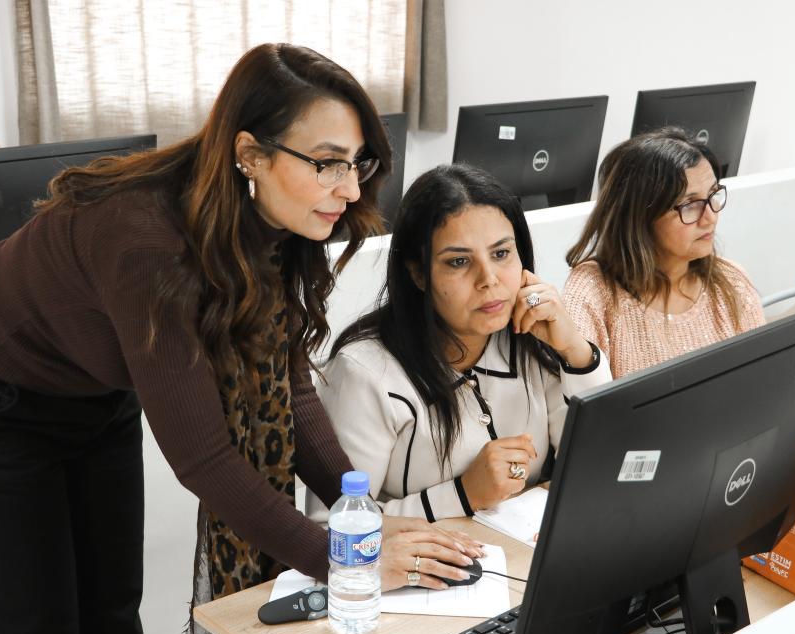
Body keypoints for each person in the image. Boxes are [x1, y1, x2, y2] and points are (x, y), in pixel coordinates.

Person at [0, 44, 478, 634]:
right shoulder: (148, 242)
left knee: (109, 623)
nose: (349, 189)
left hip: (94, 399)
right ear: (250, 155)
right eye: (327, 164)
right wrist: (343, 557)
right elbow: (204, 458)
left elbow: (291, 392)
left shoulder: (271, 222)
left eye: (357, 163)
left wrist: (364, 521)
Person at [309, 164, 611, 525]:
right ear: (418, 274)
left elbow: (600, 465)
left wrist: (576, 353)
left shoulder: (530, 338)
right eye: (459, 262)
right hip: (424, 562)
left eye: (501, 254)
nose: (489, 279)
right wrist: (462, 494)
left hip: (520, 553)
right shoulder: (364, 373)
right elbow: (333, 527)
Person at [562, 127, 765, 379]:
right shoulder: (591, 293)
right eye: (690, 205)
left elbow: (762, 380)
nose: (710, 217)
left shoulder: (731, 280)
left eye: (713, 194)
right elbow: (585, 395)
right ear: (639, 216)